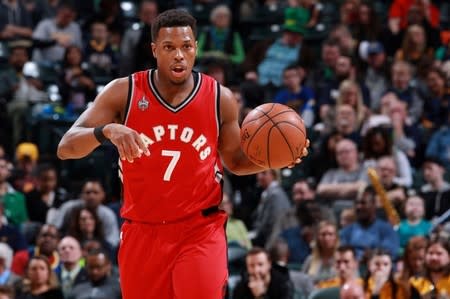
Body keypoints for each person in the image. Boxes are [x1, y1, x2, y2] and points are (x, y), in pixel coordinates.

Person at [56, 9, 308, 299]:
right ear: (154, 50)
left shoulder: (219, 98)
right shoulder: (123, 92)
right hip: (143, 230)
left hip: (199, 229)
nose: (179, 55)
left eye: (186, 46)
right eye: (169, 47)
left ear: (196, 48)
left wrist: (278, 158)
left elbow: (236, 162)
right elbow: (66, 147)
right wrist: (107, 131)